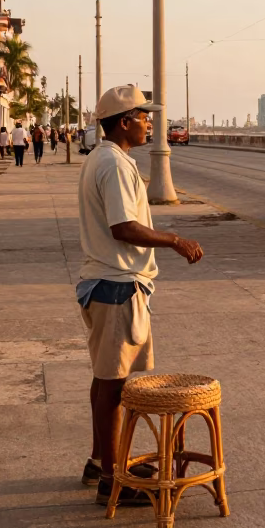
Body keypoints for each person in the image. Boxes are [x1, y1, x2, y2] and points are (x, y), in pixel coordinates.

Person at [76, 85, 203, 506]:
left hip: (108, 281)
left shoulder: (107, 158)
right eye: (144, 117)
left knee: (104, 380)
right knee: (113, 387)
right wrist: (174, 240)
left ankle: (102, 461)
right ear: (125, 121)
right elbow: (123, 227)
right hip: (116, 285)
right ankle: (113, 481)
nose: (150, 123)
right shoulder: (113, 163)